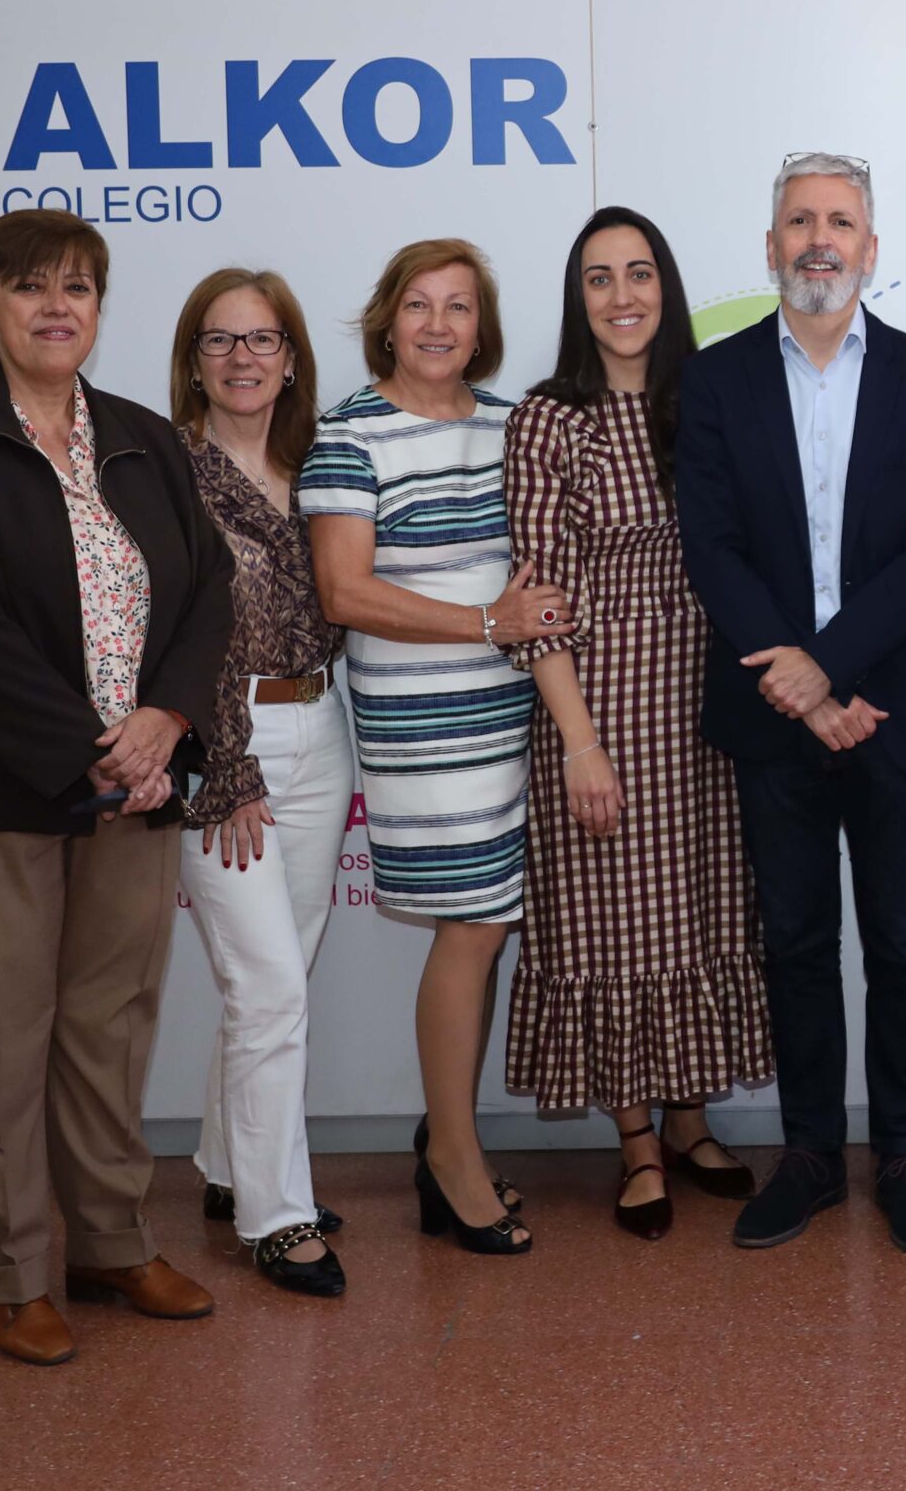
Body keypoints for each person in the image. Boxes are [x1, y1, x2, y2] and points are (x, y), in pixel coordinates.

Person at [0, 209, 233, 1364]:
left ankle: (110, 1242)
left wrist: (165, 723)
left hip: (134, 782)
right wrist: (92, 750)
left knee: (108, 1030)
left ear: (100, 309)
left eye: (77, 286)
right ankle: (11, 1273)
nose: (56, 306)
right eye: (28, 287)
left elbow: (207, 590)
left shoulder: (144, 439)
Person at [674, 153, 906, 1258]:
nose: (818, 239)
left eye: (839, 221)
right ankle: (808, 1154)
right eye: (799, 221)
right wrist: (798, 691)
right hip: (771, 718)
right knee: (794, 942)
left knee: (903, 943)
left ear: (870, 247)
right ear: (770, 247)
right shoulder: (714, 382)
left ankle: (903, 1156)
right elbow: (713, 547)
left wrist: (830, 672)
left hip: (889, 711)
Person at [502, 208, 770, 1241]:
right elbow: (538, 601)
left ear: (668, 286)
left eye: (641, 273)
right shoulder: (549, 419)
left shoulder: (708, 399)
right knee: (612, 916)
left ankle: (691, 1121)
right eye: (600, 278)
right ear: (578, 300)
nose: (624, 296)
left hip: (707, 697)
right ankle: (636, 1141)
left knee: (700, 908)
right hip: (599, 700)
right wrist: (578, 743)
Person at [302, 238, 570, 1256]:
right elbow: (345, 592)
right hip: (422, 725)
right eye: (418, 305)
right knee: (472, 926)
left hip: (514, 718)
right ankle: (453, 1157)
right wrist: (487, 625)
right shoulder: (348, 435)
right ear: (387, 320)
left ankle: (447, 1138)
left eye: (459, 307)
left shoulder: (511, 425)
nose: (438, 325)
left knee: (487, 920)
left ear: (481, 326)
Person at [166, 267, 353, 1296]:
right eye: (220, 339)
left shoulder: (324, 464)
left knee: (276, 976)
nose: (243, 357)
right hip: (219, 749)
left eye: (263, 338)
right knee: (268, 986)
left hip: (320, 729)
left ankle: (226, 1163)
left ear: (290, 359)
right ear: (194, 362)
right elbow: (159, 638)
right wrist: (225, 765)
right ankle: (277, 1218)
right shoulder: (164, 472)